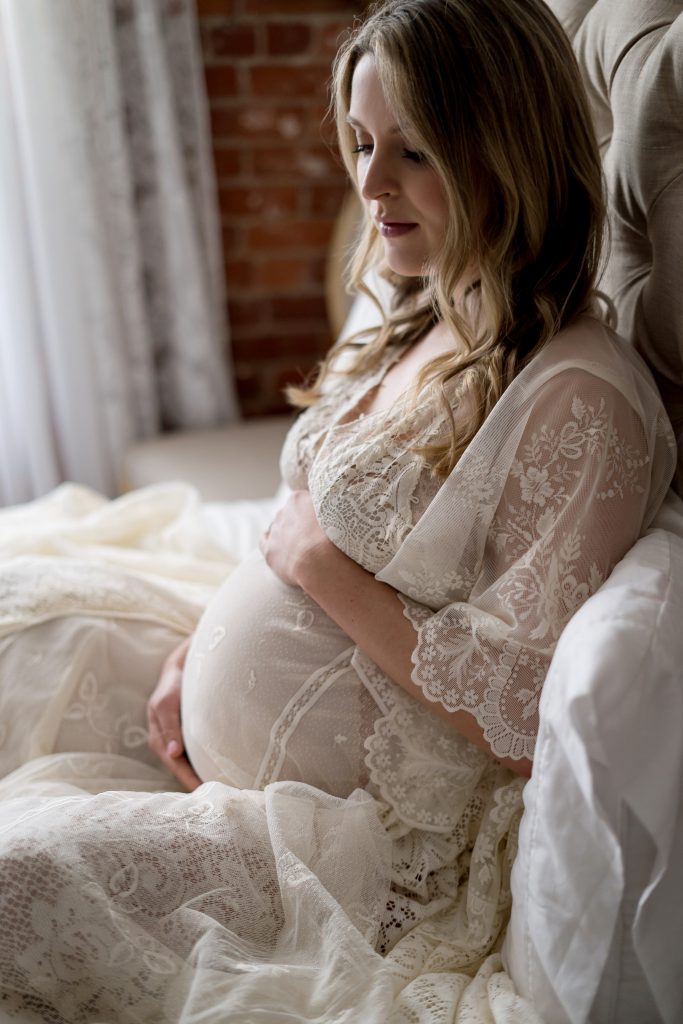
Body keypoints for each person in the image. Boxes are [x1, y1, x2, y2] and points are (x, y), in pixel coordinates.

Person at [0, 1, 675, 1021]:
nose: (367, 184)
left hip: (346, 850)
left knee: (17, 879)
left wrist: (320, 571)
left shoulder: (579, 398)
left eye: (411, 151)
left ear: (505, 150)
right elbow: (301, 519)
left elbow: (524, 707)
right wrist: (199, 653)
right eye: (361, 143)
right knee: (23, 621)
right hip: (216, 747)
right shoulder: (431, 309)